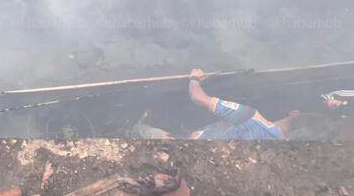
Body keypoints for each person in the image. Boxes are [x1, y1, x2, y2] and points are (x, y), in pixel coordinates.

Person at [133, 68, 347, 140]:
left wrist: (195, 78)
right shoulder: (282, 146)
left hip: (194, 145)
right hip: (218, 149)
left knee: (147, 133)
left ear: (295, 113)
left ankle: (132, 129)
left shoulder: (249, 117)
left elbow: (197, 97)